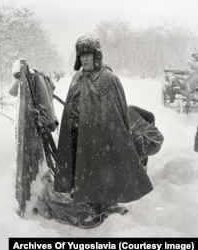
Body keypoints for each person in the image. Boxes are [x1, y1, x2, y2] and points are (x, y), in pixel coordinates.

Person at [53, 35, 153, 215]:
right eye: (81, 55)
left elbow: (115, 112)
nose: (84, 58)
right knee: (81, 168)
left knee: (103, 169)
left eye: (88, 54)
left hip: (100, 136)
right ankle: (86, 196)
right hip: (77, 133)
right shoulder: (77, 77)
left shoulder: (107, 79)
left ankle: (107, 202)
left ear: (96, 56)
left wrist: (97, 126)